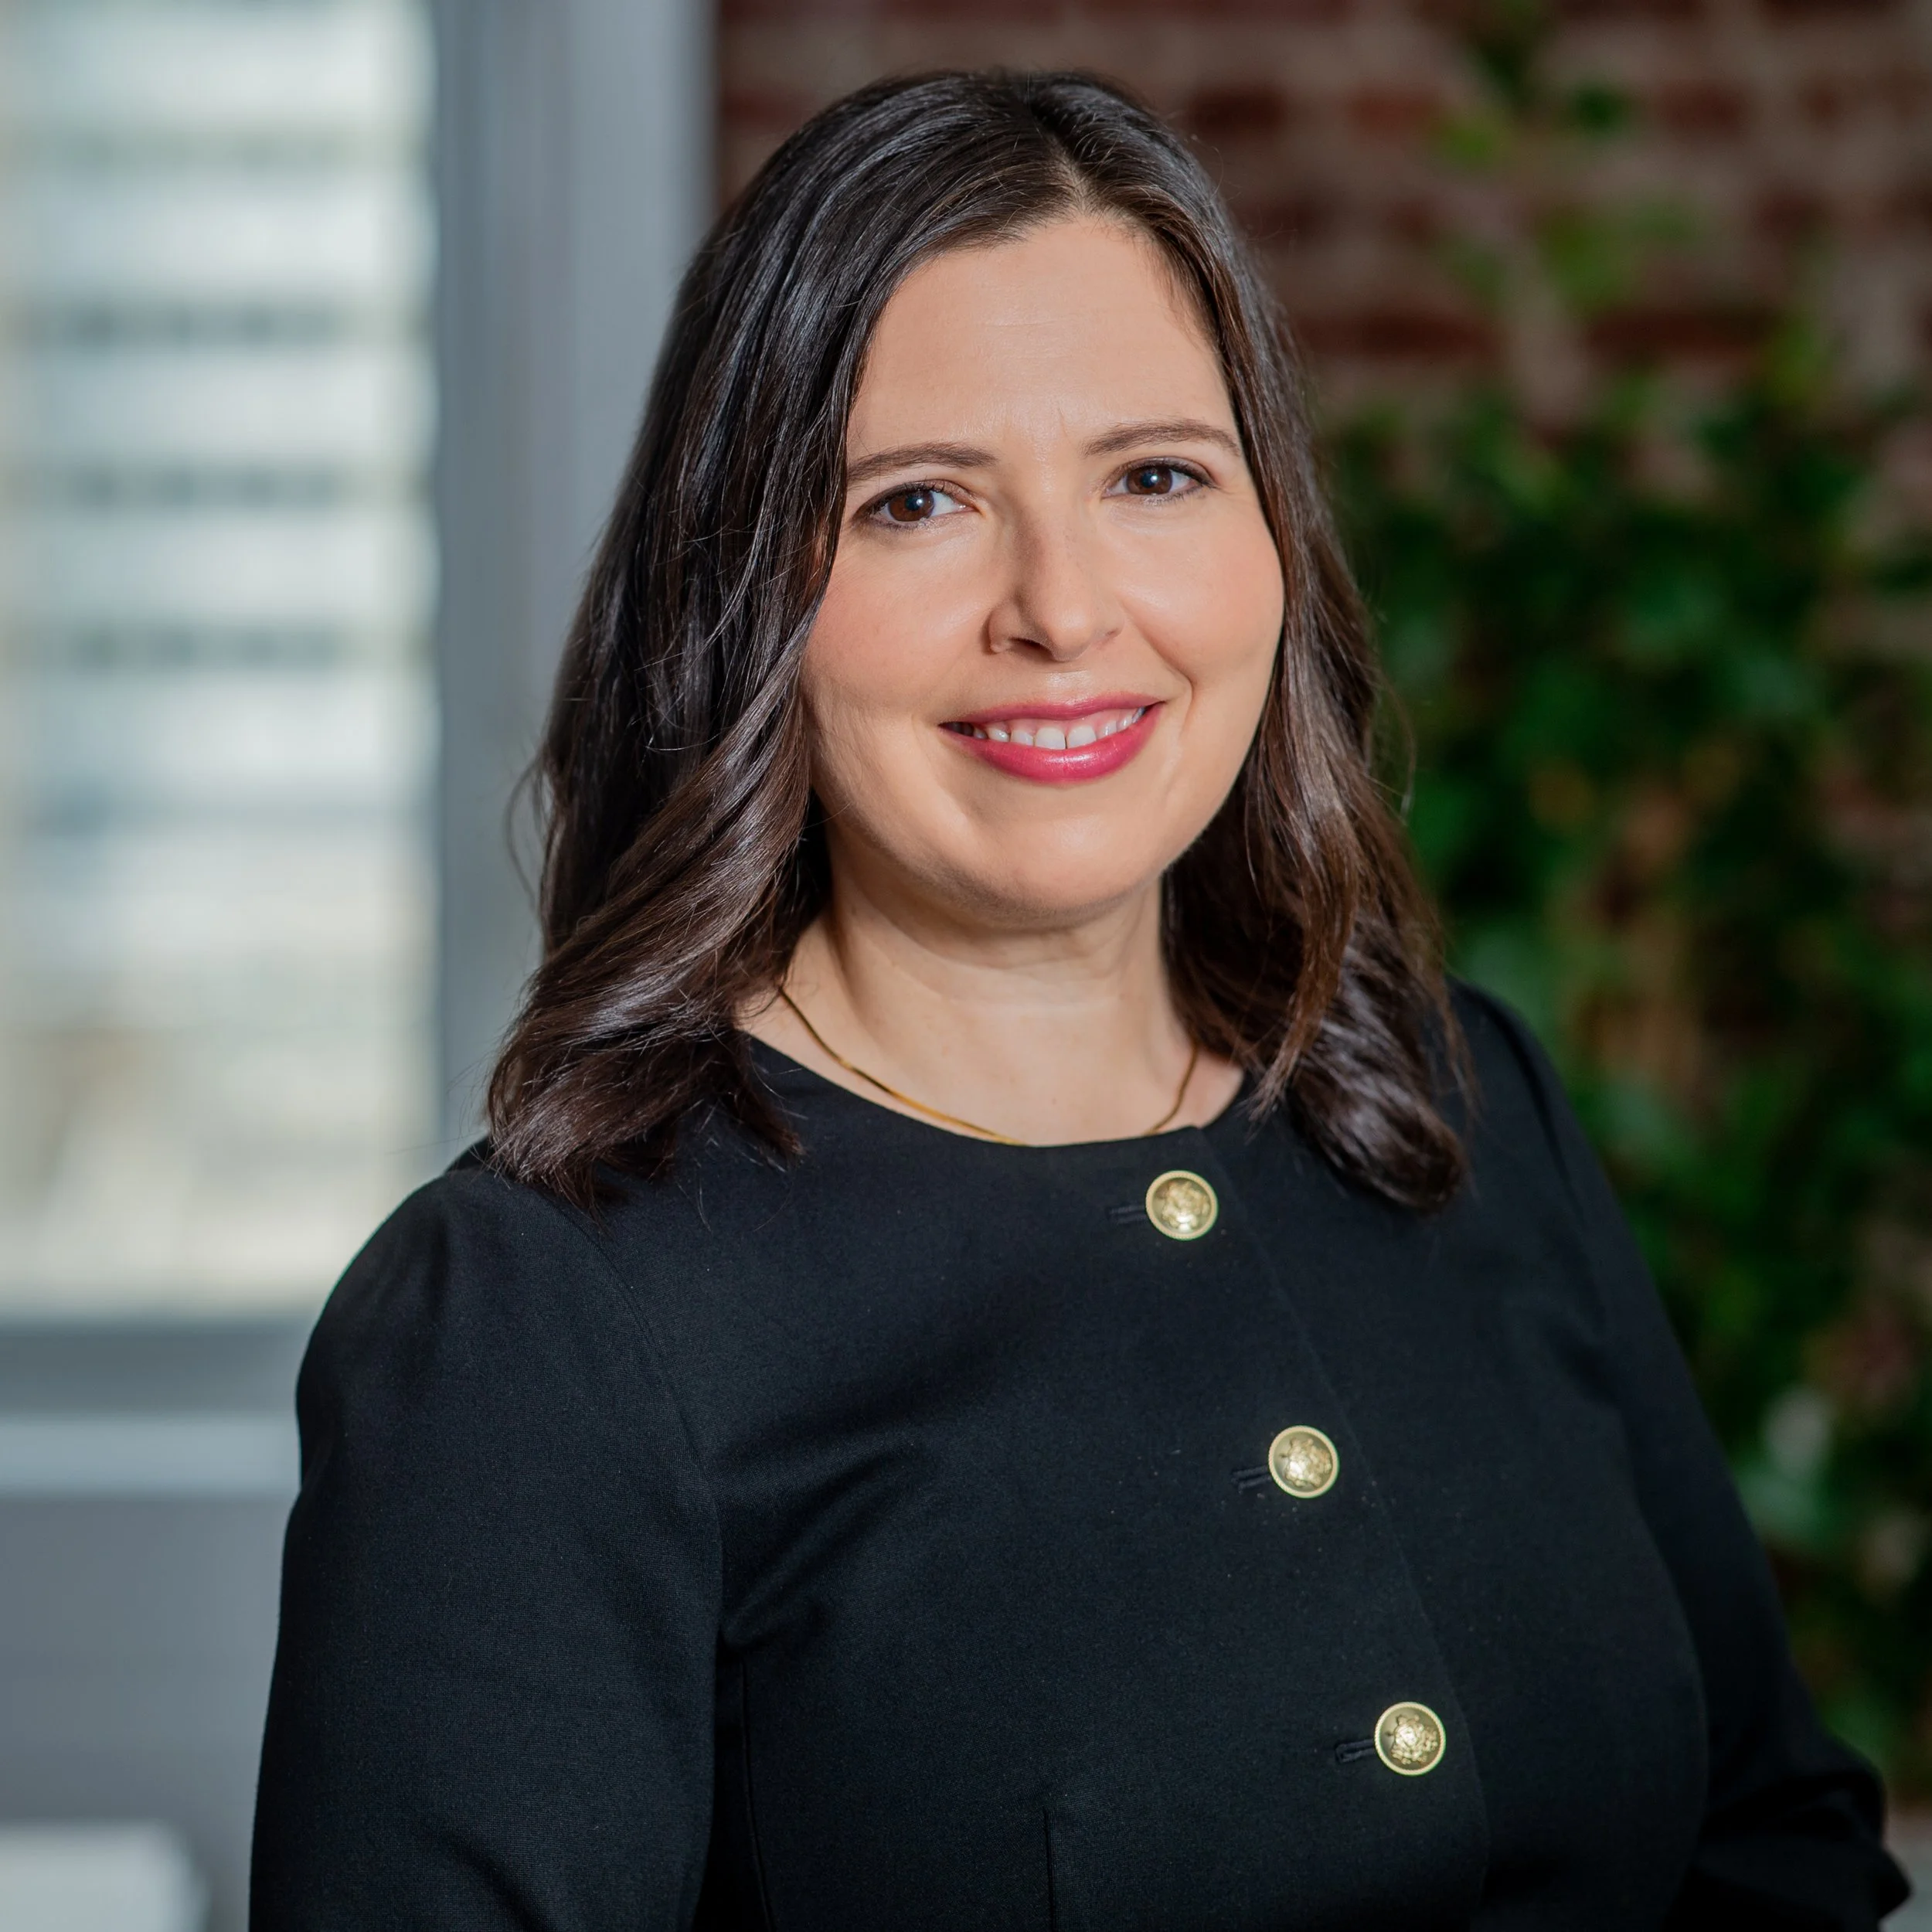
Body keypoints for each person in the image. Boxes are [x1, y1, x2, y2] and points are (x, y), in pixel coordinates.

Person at [250, 70, 1909, 1930]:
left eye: (1151, 475)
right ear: (743, 595)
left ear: (1267, 533)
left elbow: (1772, 1847)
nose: (1060, 607)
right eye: (917, 502)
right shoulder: (533, 1321)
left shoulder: (1451, 1102)